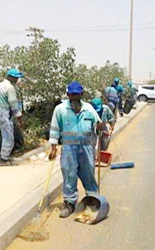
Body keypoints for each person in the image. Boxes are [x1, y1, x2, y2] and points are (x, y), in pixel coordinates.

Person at [48, 81, 104, 218]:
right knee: (69, 174)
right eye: (72, 95)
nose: (74, 98)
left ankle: (92, 200)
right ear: (68, 95)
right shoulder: (60, 110)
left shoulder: (89, 109)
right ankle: (69, 203)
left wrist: (99, 127)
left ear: (82, 94)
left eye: (77, 95)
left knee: (88, 172)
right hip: (68, 148)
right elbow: (54, 129)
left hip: (86, 147)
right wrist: (53, 148)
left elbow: (98, 125)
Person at [0, 68, 25, 166]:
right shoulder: (9, 88)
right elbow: (14, 106)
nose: (17, 80)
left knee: (4, 135)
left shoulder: (0, 85)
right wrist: (20, 119)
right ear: (10, 77)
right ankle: (4, 159)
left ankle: (4, 155)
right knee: (8, 137)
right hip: (4, 114)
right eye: (15, 78)